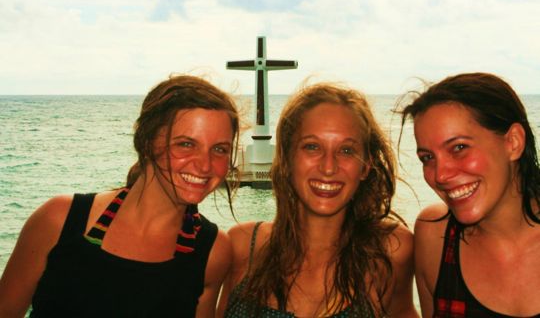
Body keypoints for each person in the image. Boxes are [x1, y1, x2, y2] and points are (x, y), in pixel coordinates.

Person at [0, 75, 240, 317]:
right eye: (186, 144)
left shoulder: (212, 251)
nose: (205, 165)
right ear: (146, 142)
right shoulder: (61, 220)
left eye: (220, 149)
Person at [218, 83, 418, 317]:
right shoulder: (241, 246)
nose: (328, 167)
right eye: (312, 147)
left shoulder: (391, 251)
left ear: (366, 166)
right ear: (287, 159)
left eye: (346, 151)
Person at [399, 72, 540, 317]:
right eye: (427, 158)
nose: (440, 175)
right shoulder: (435, 237)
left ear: (513, 142)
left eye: (459, 148)